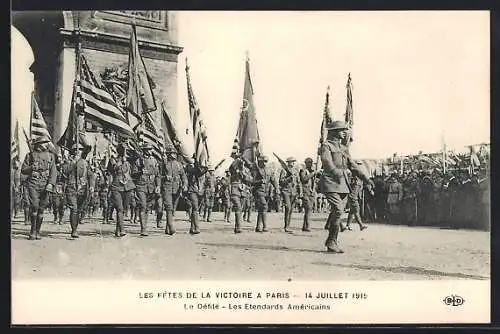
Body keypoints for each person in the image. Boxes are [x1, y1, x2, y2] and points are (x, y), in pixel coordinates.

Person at [318, 120, 374, 253]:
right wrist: (337, 172)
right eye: (342, 130)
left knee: (338, 213)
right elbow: (326, 162)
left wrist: (366, 178)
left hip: (343, 185)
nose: (345, 132)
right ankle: (331, 241)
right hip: (330, 182)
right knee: (337, 210)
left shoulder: (344, 149)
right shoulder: (326, 146)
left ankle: (332, 241)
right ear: (334, 132)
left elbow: (353, 166)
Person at [21, 137, 58, 240]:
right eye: (44, 143)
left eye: (46, 143)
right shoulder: (29, 155)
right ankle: (32, 231)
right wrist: (31, 167)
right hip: (33, 183)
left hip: (45, 184)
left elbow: (53, 171)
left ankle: (38, 231)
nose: (46, 145)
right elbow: (23, 170)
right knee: (34, 207)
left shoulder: (50, 156)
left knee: (41, 208)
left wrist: (51, 183)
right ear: (38, 144)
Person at [60, 144, 95, 238]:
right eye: (76, 150)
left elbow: (91, 175)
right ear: (73, 151)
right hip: (71, 188)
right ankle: (74, 230)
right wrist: (73, 162)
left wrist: (91, 186)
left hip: (83, 189)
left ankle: (75, 226)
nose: (78, 151)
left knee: (79, 209)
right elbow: (65, 173)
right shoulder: (68, 162)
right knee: (74, 209)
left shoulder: (85, 163)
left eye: (80, 149)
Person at [131, 143, 161, 237]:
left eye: (150, 149)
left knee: (148, 207)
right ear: (144, 150)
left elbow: (157, 175)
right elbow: (133, 174)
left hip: (151, 187)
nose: (150, 151)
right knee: (143, 206)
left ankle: (145, 227)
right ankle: (143, 229)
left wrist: (158, 186)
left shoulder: (154, 161)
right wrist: (140, 172)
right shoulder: (139, 161)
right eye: (148, 149)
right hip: (141, 186)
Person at [107, 143, 136, 237]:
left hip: (127, 186)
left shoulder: (129, 160)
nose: (124, 151)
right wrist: (120, 162)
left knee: (123, 209)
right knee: (119, 208)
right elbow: (112, 169)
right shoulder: (113, 159)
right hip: (117, 187)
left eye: (125, 150)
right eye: (122, 149)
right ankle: (122, 230)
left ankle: (117, 229)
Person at [160, 145, 187, 235]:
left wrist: (184, 184)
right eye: (171, 153)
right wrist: (164, 177)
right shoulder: (163, 163)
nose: (172, 155)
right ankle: (171, 227)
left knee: (172, 209)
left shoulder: (179, 165)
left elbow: (183, 176)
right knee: (169, 207)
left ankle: (167, 228)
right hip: (166, 187)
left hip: (176, 188)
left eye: (174, 153)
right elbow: (157, 175)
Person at [250, 155, 277, 232]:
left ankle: (258, 227)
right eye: (262, 162)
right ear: (259, 162)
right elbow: (252, 182)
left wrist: (277, 188)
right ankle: (265, 226)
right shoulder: (255, 170)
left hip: (266, 192)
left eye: (266, 161)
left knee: (261, 209)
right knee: (264, 207)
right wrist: (260, 181)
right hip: (258, 191)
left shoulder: (269, 170)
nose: (264, 163)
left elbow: (273, 180)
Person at [228, 154, 253, 233]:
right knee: (238, 207)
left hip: (243, 191)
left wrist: (244, 174)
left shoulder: (246, 170)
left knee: (241, 209)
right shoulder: (234, 168)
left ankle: (237, 226)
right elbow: (232, 167)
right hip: (235, 189)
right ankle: (238, 227)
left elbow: (250, 179)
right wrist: (238, 158)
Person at [184, 157, 208, 234]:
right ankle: (197, 227)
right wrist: (197, 163)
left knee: (195, 209)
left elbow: (203, 170)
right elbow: (197, 171)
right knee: (195, 208)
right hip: (192, 191)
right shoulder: (191, 169)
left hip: (198, 191)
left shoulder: (198, 170)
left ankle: (192, 227)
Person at [279, 157, 302, 232]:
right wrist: (288, 179)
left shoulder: (295, 171)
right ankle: (286, 226)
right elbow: (281, 181)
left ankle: (288, 226)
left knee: (291, 209)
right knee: (288, 207)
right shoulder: (284, 170)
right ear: (288, 162)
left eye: (293, 162)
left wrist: (300, 192)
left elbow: (298, 182)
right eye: (291, 162)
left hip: (293, 192)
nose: (293, 163)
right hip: (286, 191)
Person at [299, 157, 322, 232]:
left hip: (312, 192)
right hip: (305, 191)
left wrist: (318, 173)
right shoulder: (303, 170)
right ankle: (308, 226)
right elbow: (304, 179)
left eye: (311, 163)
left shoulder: (312, 171)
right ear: (305, 163)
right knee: (308, 208)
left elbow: (318, 179)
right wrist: (313, 173)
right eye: (308, 162)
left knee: (309, 209)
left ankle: (304, 226)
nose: (310, 164)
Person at [344, 162, 369, 231]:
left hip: (353, 197)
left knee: (352, 212)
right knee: (356, 211)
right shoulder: (356, 181)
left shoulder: (356, 179)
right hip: (353, 198)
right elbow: (354, 192)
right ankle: (361, 225)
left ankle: (347, 225)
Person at [51, 153, 66, 225]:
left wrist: (63, 170)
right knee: (55, 204)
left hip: (62, 188)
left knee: (62, 205)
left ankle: (61, 218)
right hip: (55, 187)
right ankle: (55, 217)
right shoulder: (54, 167)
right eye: (59, 157)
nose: (60, 159)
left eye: (61, 157)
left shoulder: (64, 167)